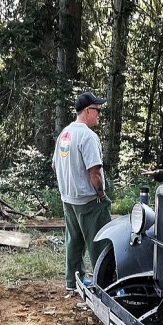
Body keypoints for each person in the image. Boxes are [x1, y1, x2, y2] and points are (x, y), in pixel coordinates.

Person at [52, 91, 112, 292]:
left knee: (74, 241)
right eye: (97, 111)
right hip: (88, 199)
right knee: (100, 242)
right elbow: (94, 172)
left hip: (68, 198)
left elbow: (54, 165)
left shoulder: (65, 134)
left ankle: (73, 281)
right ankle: (105, 285)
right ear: (87, 111)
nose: (99, 115)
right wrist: (101, 194)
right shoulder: (87, 136)